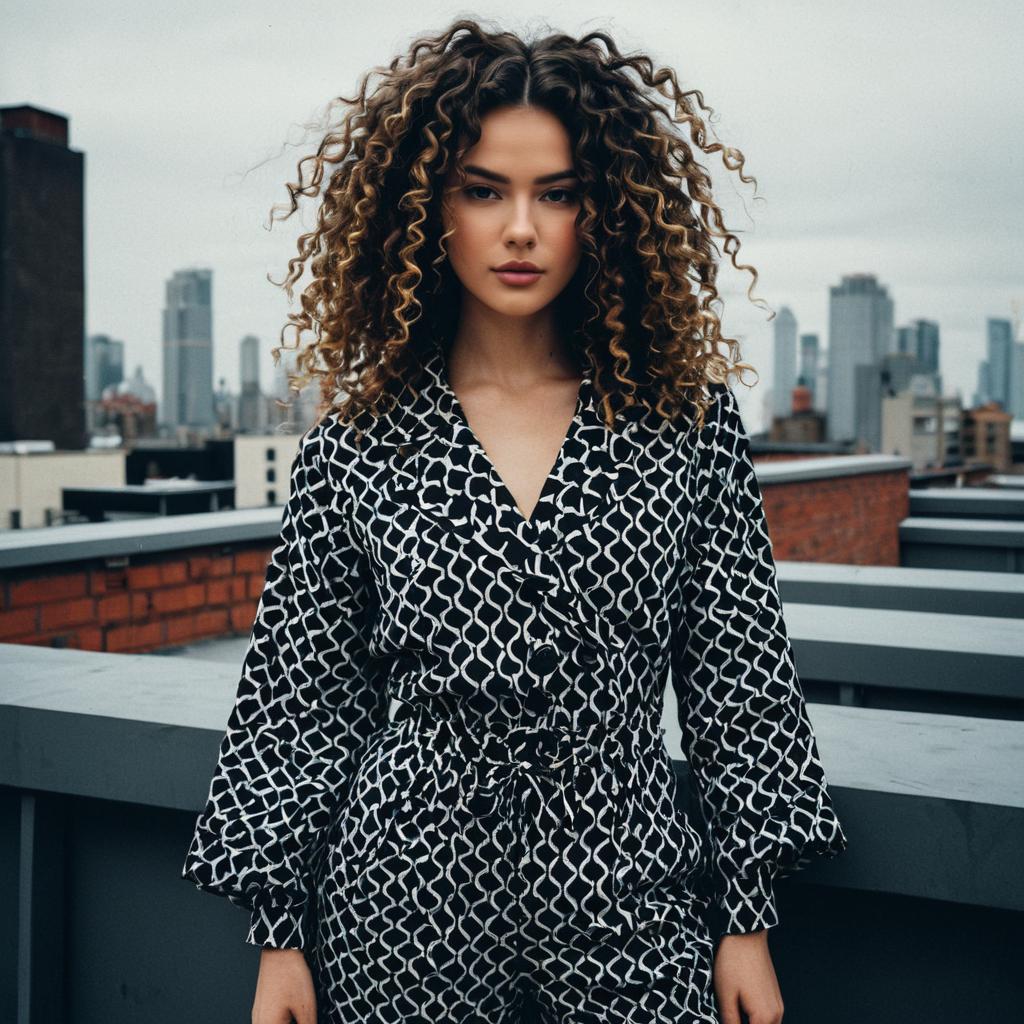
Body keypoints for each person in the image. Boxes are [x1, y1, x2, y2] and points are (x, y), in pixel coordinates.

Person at [181, 18, 848, 1024]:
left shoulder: (684, 424)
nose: (522, 228)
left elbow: (738, 677)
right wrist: (278, 938)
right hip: (400, 910)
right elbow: (298, 701)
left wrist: (745, 919)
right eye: (484, 190)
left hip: (627, 891)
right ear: (425, 208)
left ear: (607, 209)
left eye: (558, 193)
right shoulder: (357, 442)